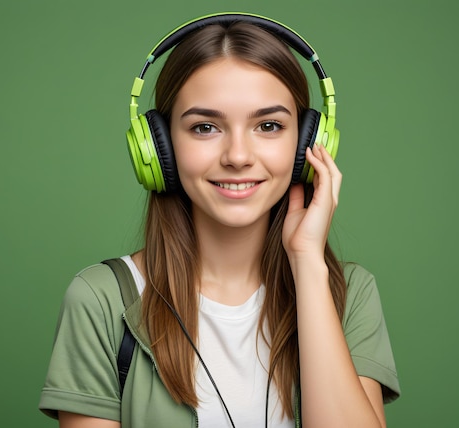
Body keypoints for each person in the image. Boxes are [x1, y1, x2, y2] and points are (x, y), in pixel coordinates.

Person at [39, 13, 400, 428]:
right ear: (160, 149)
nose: (238, 156)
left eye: (268, 125)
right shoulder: (102, 301)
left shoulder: (347, 293)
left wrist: (307, 265)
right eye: (206, 127)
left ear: (308, 145)